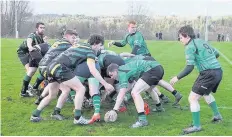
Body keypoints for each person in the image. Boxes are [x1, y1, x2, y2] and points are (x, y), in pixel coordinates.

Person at [30, 34, 114, 125]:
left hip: (51, 67)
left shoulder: (80, 44)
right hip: (60, 68)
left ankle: (35, 115)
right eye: (101, 45)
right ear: (96, 44)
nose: (100, 48)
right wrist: (105, 84)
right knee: (81, 89)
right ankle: (78, 118)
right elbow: (93, 70)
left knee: (55, 94)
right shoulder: (90, 51)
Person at [170, 25, 223, 134]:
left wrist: (177, 77)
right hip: (218, 71)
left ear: (187, 36)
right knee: (206, 94)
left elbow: (189, 67)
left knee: (192, 98)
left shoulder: (189, 47)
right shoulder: (201, 40)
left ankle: (196, 126)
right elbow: (216, 54)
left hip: (208, 73)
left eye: (180, 37)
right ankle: (217, 116)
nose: (179, 40)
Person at [106, 58, 181, 128]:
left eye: (111, 75)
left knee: (135, 93)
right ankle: (159, 107)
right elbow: (131, 84)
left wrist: (115, 110)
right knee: (149, 89)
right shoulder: (125, 69)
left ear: (115, 71)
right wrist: (122, 94)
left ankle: (142, 120)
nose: (111, 78)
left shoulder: (121, 73)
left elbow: (122, 92)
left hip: (151, 70)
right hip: (156, 68)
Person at [33, 30, 76, 104]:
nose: (74, 40)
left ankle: (39, 100)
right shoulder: (67, 45)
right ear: (67, 36)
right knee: (65, 88)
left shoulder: (58, 42)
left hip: (43, 66)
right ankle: (57, 111)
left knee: (53, 83)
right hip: (50, 68)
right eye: (73, 38)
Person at [17, 22, 47, 97]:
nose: (43, 29)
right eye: (41, 27)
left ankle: (29, 88)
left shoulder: (42, 37)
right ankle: (26, 89)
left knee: (32, 71)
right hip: (23, 53)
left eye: (44, 28)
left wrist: (45, 42)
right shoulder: (32, 35)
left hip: (32, 53)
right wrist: (30, 46)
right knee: (30, 71)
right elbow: (29, 40)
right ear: (37, 28)